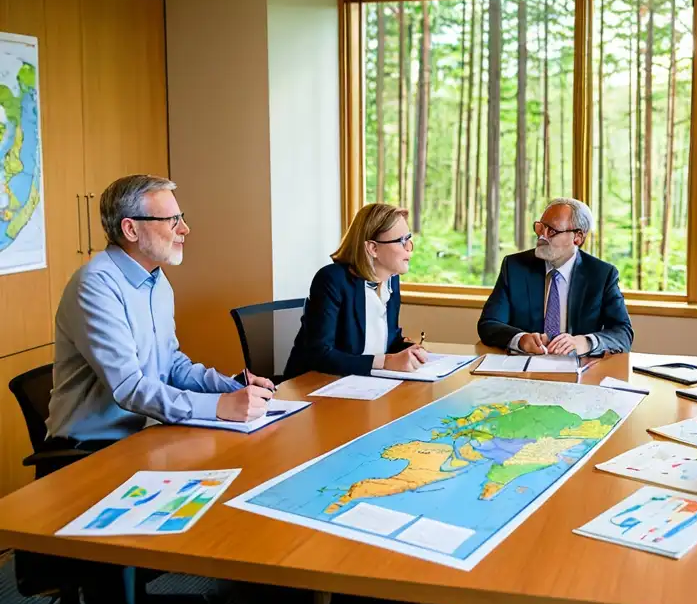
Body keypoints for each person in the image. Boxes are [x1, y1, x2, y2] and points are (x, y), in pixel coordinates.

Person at [47, 174, 274, 443]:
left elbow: (172, 364)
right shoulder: (96, 285)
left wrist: (234, 386)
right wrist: (219, 405)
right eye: (172, 220)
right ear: (131, 230)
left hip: (146, 435)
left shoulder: (157, 280)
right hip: (88, 451)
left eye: (182, 217)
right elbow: (129, 388)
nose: (185, 229)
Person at [283, 203, 429, 379]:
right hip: (315, 386)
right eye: (401, 241)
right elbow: (320, 354)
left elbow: (389, 340)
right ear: (373, 249)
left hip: (364, 384)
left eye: (409, 239)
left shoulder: (391, 280)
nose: (409, 248)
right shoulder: (332, 280)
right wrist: (386, 362)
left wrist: (409, 350)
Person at [477, 197, 633, 356]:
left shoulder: (601, 274)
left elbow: (623, 333)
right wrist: (520, 339)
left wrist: (585, 342)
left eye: (552, 231)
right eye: (540, 228)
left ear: (577, 237)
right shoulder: (515, 267)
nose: (542, 237)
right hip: (525, 367)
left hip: (581, 371)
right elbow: (489, 323)